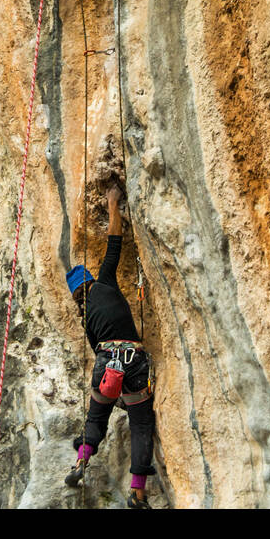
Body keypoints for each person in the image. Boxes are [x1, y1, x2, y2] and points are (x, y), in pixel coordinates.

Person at [65, 186, 156, 510]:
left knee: (96, 416)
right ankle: (138, 492)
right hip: (133, 359)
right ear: (90, 280)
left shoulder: (86, 316)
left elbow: (97, 351)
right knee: (142, 423)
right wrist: (113, 203)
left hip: (106, 362)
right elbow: (114, 243)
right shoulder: (104, 282)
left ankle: (80, 461)